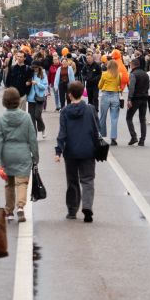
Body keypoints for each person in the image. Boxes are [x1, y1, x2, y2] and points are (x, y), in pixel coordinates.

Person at [54, 80, 100, 222]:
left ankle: (72, 210)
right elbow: (96, 129)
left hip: (71, 151)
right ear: (82, 93)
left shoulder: (65, 112)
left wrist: (58, 151)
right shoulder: (90, 109)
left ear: (69, 95)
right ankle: (87, 207)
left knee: (72, 181)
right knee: (87, 180)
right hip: (88, 150)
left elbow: (62, 133)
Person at [0, 87, 38, 222]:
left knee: (9, 183)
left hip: (7, 154)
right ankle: (20, 206)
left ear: (4, 102)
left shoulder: (2, 119)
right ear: (18, 100)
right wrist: (35, 157)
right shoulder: (26, 117)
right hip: (23, 153)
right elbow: (32, 139)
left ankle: (9, 211)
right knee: (22, 182)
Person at [97, 59, 122, 145]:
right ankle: (113, 138)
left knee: (103, 117)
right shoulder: (118, 75)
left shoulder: (104, 74)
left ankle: (101, 136)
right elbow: (119, 85)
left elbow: (99, 86)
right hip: (115, 95)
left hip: (105, 95)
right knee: (114, 118)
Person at [125, 57, 149, 146]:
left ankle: (133, 136)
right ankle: (142, 140)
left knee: (128, 117)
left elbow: (132, 87)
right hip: (144, 97)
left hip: (136, 98)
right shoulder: (145, 74)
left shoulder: (133, 74)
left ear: (132, 65)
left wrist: (129, 99)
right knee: (142, 119)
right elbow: (148, 86)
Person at [27, 64, 49, 138]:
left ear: (39, 67)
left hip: (40, 97)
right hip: (31, 98)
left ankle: (42, 129)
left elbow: (45, 87)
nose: (35, 69)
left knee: (37, 115)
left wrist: (37, 83)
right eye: (33, 68)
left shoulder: (43, 74)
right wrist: (28, 83)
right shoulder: (30, 74)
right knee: (31, 118)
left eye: (36, 67)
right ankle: (34, 136)